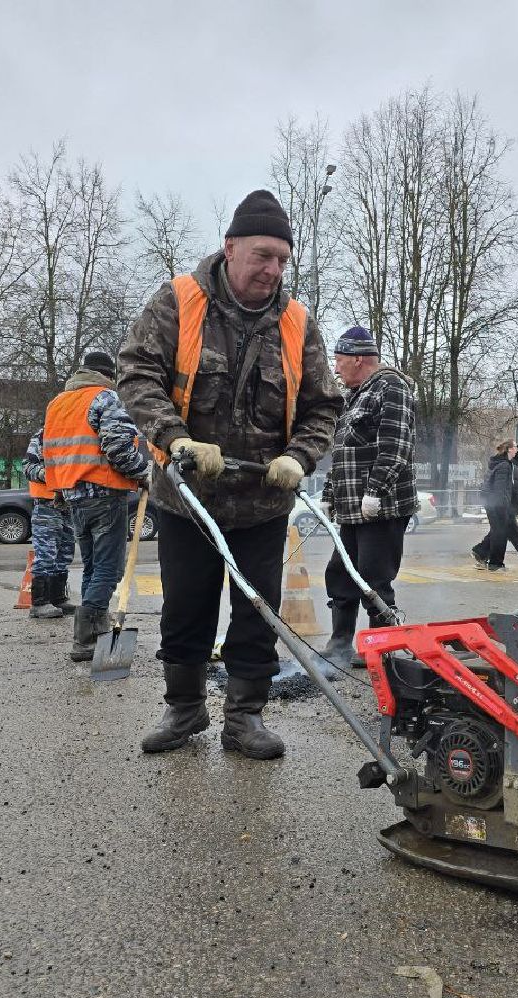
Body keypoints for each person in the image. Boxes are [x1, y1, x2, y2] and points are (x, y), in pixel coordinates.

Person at [120, 189, 343, 760]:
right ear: (230, 247)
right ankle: (185, 709)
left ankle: (245, 717)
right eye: (263, 255)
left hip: (264, 502)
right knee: (186, 605)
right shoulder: (178, 301)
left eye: (283, 260)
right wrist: (177, 439)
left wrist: (300, 456)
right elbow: (137, 376)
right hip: (188, 498)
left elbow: (323, 406)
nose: (272, 269)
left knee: (257, 613)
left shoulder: (297, 324)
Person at [317, 326, 417, 669]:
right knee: (341, 573)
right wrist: (330, 494)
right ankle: (341, 641)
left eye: (340, 360)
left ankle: (381, 648)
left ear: (359, 358)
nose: (337, 367)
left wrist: (375, 491)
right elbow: (342, 452)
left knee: (375, 577)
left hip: (382, 507)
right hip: (351, 509)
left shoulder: (392, 387)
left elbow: (396, 446)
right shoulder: (354, 396)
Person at [42, 349, 151, 661]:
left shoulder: (57, 404)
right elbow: (117, 447)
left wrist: (59, 490)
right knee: (108, 568)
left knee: (92, 566)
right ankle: (87, 638)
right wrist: (142, 473)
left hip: (73, 496)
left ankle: (92, 634)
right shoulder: (105, 398)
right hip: (104, 493)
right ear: (109, 375)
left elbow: (49, 452)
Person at [22, 426, 78, 620]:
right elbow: (28, 467)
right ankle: (39, 603)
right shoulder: (44, 435)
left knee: (64, 553)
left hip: (68, 504)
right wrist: (51, 476)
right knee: (46, 553)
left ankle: (57, 598)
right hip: (47, 503)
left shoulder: (74, 434)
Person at [472, 440, 518, 570]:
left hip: (505, 505)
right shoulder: (504, 466)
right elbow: (501, 490)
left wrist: (515, 445)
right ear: (509, 450)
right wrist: (502, 508)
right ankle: (495, 564)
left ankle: (481, 553)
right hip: (499, 505)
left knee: (511, 532)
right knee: (499, 534)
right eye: (514, 447)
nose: (517, 449)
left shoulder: (510, 464)